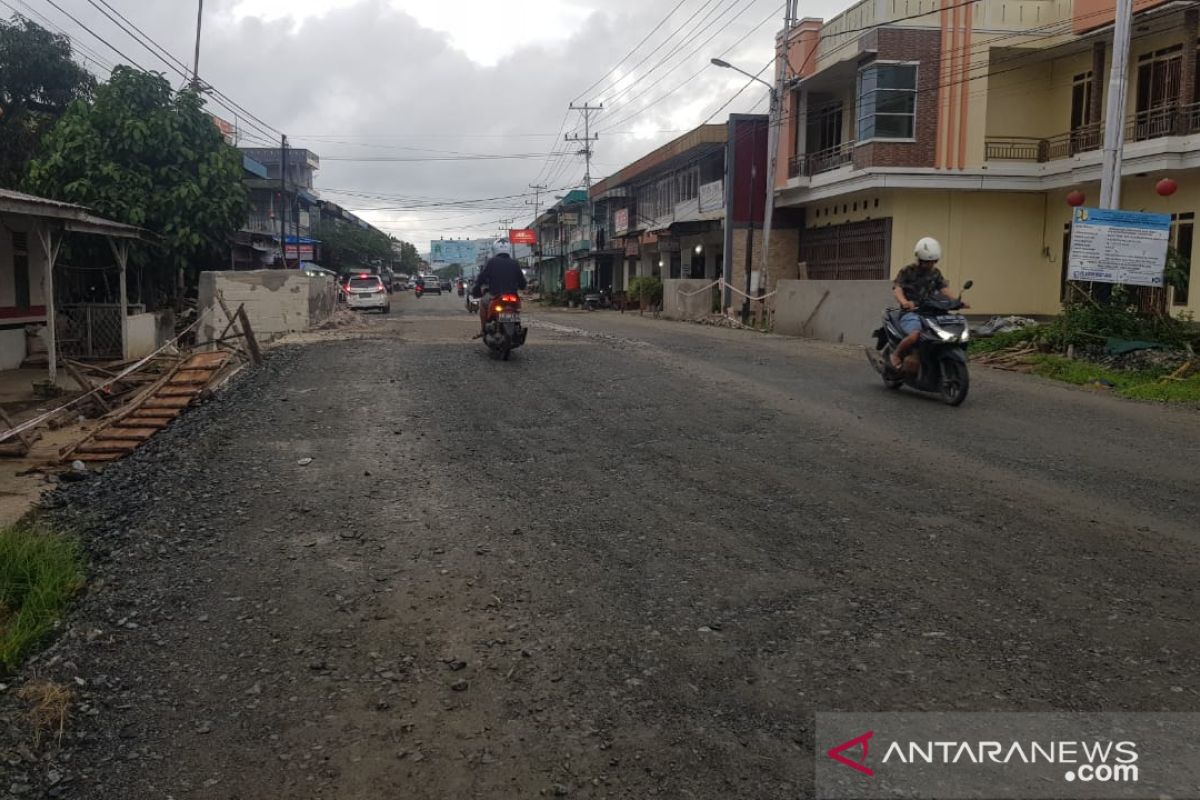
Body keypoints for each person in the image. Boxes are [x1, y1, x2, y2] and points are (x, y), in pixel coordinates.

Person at [889, 237, 968, 370]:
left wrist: (957, 301)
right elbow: (897, 289)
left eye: (933, 261)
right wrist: (904, 302)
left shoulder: (935, 273)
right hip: (912, 312)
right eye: (926, 262)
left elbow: (943, 289)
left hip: (932, 311)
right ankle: (896, 355)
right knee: (915, 335)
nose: (929, 265)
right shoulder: (907, 271)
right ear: (919, 259)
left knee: (945, 331)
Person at [471, 251, 527, 334]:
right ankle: (517, 327)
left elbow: (482, 277)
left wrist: (477, 286)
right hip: (513, 296)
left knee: (483, 303)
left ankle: (483, 330)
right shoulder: (515, 263)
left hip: (496, 294)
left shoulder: (491, 262)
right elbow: (522, 283)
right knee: (516, 309)